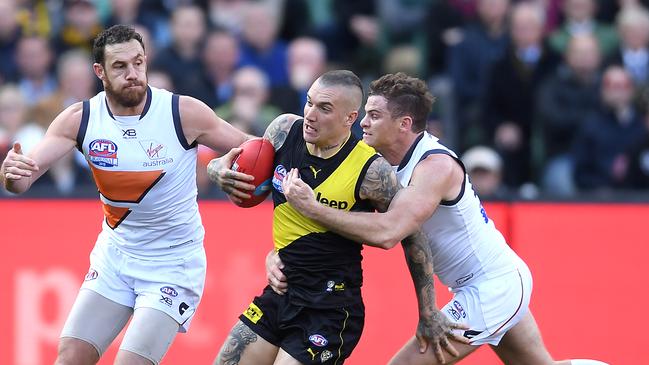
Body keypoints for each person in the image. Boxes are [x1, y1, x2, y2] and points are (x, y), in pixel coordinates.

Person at [269, 73, 608, 365]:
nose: (362, 123)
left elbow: (389, 232)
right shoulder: (375, 160)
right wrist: (278, 252)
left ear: (403, 124)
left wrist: (312, 208)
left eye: (373, 115)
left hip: (493, 285)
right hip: (486, 282)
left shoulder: (435, 167)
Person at [0, 25, 250, 365]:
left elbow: (251, 149)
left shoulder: (181, 113)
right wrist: (11, 172)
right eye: (120, 66)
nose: (132, 74)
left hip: (172, 265)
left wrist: (220, 165)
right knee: (70, 357)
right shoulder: (81, 119)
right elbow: (22, 180)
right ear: (99, 72)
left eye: (138, 63)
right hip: (115, 258)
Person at [207, 70, 467, 365]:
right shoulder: (283, 131)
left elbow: (411, 234)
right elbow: (246, 165)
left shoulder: (371, 170)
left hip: (329, 309)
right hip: (281, 292)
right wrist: (217, 170)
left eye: (324, 108)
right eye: (309, 103)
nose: (310, 115)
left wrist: (428, 311)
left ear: (349, 118)